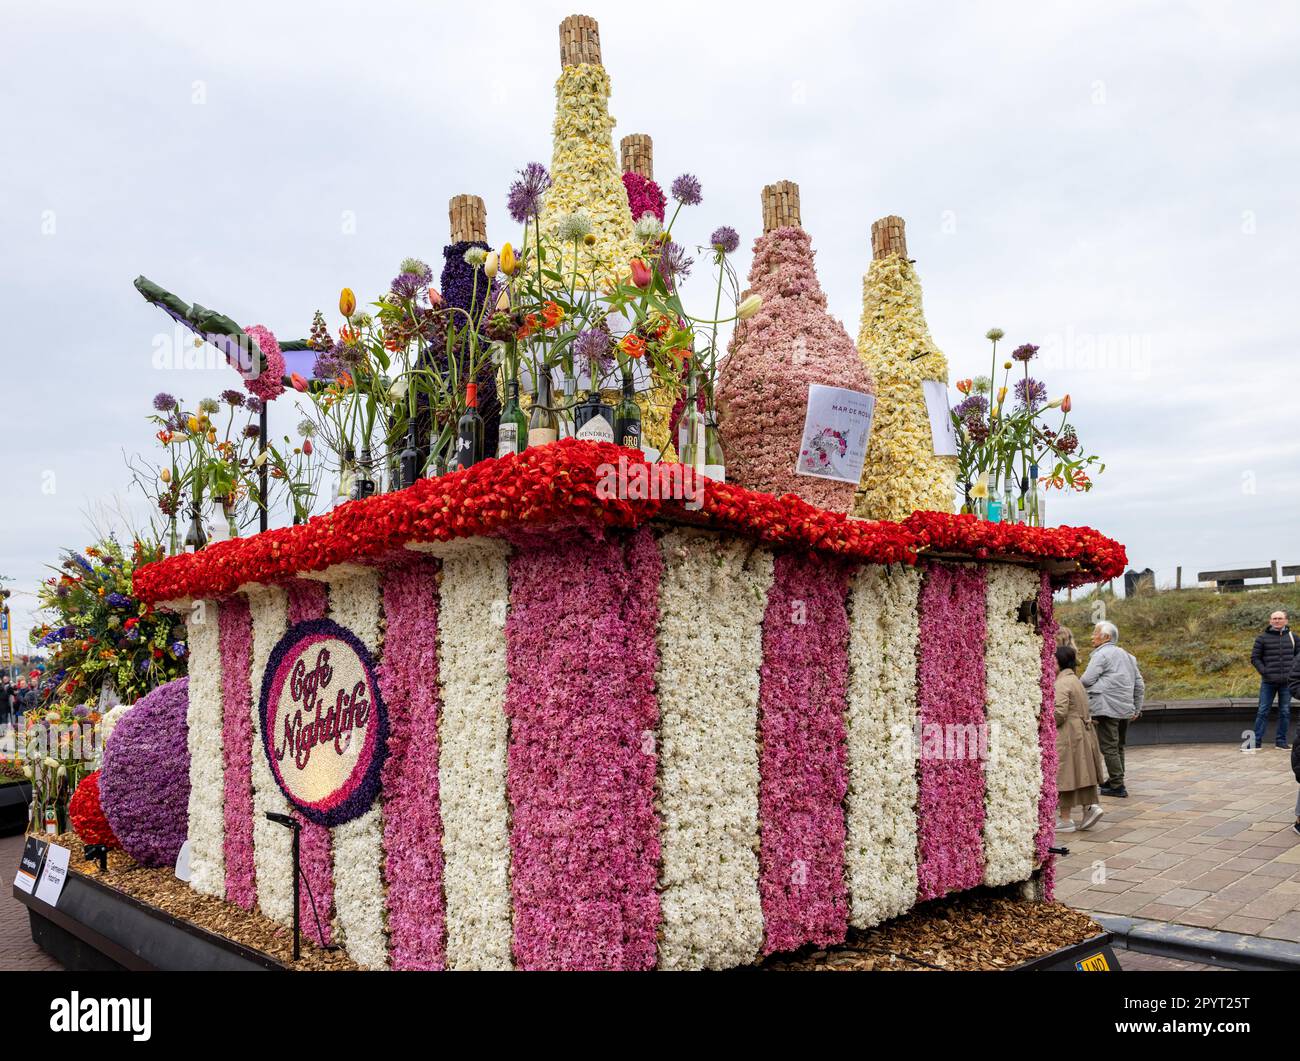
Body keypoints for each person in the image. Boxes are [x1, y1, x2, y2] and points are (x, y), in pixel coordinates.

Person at [1081, 620, 1145, 798]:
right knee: (1119, 746)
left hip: (1106, 708)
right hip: (1126, 708)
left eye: (1095, 633)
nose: (1092, 636)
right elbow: (1140, 685)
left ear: (1106, 637)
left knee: (1109, 747)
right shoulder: (1129, 657)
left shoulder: (1101, 655)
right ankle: (1116, 779)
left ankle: (1117, 785)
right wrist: (1136, 708)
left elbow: (1086, 680)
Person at [1054, 643, 1105, 833]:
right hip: (1082, 732)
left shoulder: (1061, 683)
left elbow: (1059, 713)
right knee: (1081, 772)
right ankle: (1089, 807)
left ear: (1059, 661)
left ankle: (1065, 818)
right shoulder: (1074, 679)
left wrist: (1040, 718)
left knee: (1065, 775)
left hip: (1068, 734)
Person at [1251, 610, 1296, 750]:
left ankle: (1281, 742)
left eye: (1280, 618)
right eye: (1274, 618)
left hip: (1287, 683)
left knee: (1285, 711)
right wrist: (1265, 672)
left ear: (1286, 621)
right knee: (1263, 711)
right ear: (1270, 621)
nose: (1277, 621)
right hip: (1268, 682)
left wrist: (1293, 673)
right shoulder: (1262, 638)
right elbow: (1255, 658)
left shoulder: (1294, 638)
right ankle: (1255, 742)